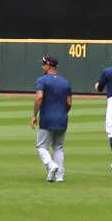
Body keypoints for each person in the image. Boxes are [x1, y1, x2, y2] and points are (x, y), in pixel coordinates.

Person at [31, 55, 73, 183]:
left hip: (47, 118)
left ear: (48, 66)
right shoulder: (66, 82)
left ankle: (51, 164)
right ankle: (59, 176)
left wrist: (34, 115)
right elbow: (69, 103)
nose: (43, 66)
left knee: (42, 146)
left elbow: (39, 98)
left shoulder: (42, 80)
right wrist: (62, 113)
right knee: (58, 147)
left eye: (44, 64)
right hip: (62, 118)